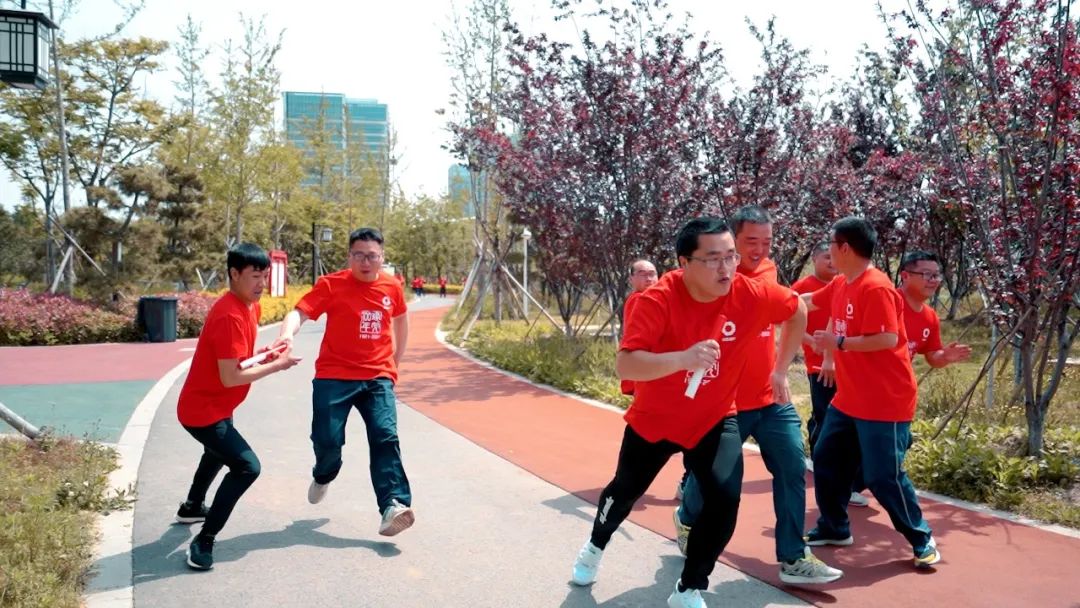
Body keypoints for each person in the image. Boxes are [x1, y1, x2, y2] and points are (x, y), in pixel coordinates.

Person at [570, 217, 809, 608]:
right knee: (625, 491)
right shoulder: (657, 299)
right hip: (655, 418)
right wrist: (682, 359)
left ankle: (688, 588)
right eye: (713, 259)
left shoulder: (751, 293)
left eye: (730, 256)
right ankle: (595, 545)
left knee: (725, 498)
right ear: (685, 262)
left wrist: (781, 369)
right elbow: (627, 364)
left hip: (714, 417)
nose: (726, 268)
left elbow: (797, 309)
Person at [674, 207, 841, 585]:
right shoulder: (706, 279)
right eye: (751, 241)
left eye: (767, 241)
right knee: (713, 478)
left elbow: (792, 310)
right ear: (731, 240)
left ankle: (793, 557)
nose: (760, 250)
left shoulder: (768, 271)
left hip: (770, 398)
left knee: (792, 467)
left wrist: (781, 369)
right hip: (725, 404)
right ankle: (686, 517)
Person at [803, 217, 941, 569]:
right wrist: (763, 302)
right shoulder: (841, 283)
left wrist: (838, 343)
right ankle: (834, 526)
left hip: (885, 401)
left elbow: (887, 339)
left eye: (831, 244)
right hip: (849, 399)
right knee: (826, 458)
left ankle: (921, 538)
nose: (828, 251)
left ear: (844, 248)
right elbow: (806, 301)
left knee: (884, 476)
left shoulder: (876, 287)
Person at [274, 227, 415, 537]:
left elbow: (401, 322)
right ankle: (324, 473)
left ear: (382, 257)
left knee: (385, 436)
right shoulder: (331, 284)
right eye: (359, 255)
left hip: (377, 375)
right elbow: (300, 313)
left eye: (372, 256)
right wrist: (286, 335)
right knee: (327, 441)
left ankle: (393, 504)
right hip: (334, 376)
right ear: (349, 256)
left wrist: (395, 363)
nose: (365, 262)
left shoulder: (392, 287)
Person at [175, 243, 302, 570]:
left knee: (218, 451)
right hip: (202, 411)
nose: (262, 283)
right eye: (255, 276)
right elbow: (230, 376)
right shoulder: (229, 314)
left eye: (264, 276)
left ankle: (192, 506)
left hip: (217, 405)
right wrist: (277, 366)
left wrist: (266, 353)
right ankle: (205, 539)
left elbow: (238, 359)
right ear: (234, 274)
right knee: (247, 467)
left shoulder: (249, 307)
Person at [897, 251, 972, 368]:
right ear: (905, 276)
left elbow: (933, 357)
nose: (933, 280)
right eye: (927, 274)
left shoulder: (930, 317)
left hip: (900, 379)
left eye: (936, 275)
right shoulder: (884, 304)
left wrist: (945, 356)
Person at [620, 258, 659, 397]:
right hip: (644, 365)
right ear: (631, 279)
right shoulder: (639, 299)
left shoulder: (649, 299)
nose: (648, 279)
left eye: (652, 274)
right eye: (642, 274)